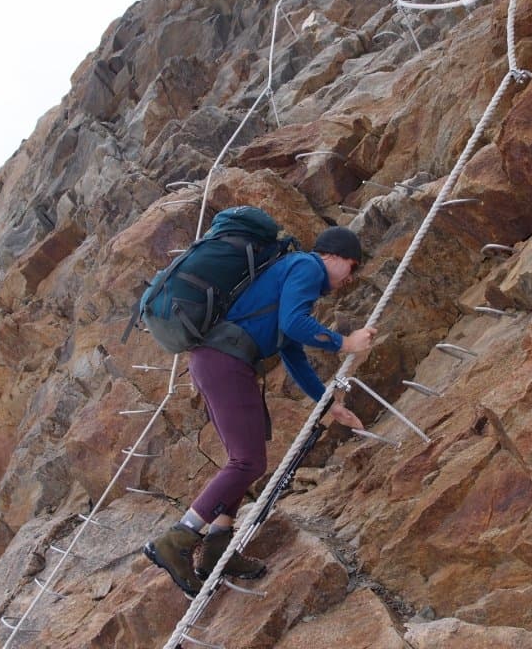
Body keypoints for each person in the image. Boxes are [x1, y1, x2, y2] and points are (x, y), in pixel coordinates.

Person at [142, 226, 376, 596]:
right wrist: (344, 342)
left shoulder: (295, 273)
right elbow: (294, 325)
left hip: (216, 361)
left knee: (242, 459)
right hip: (226, 361)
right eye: (353, 265)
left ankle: (217, 547)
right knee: (249, 463)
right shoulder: (307, 266)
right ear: (332, 256)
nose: (352, 276)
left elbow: (292, 352)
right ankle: (178, 540)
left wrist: (327, 403)